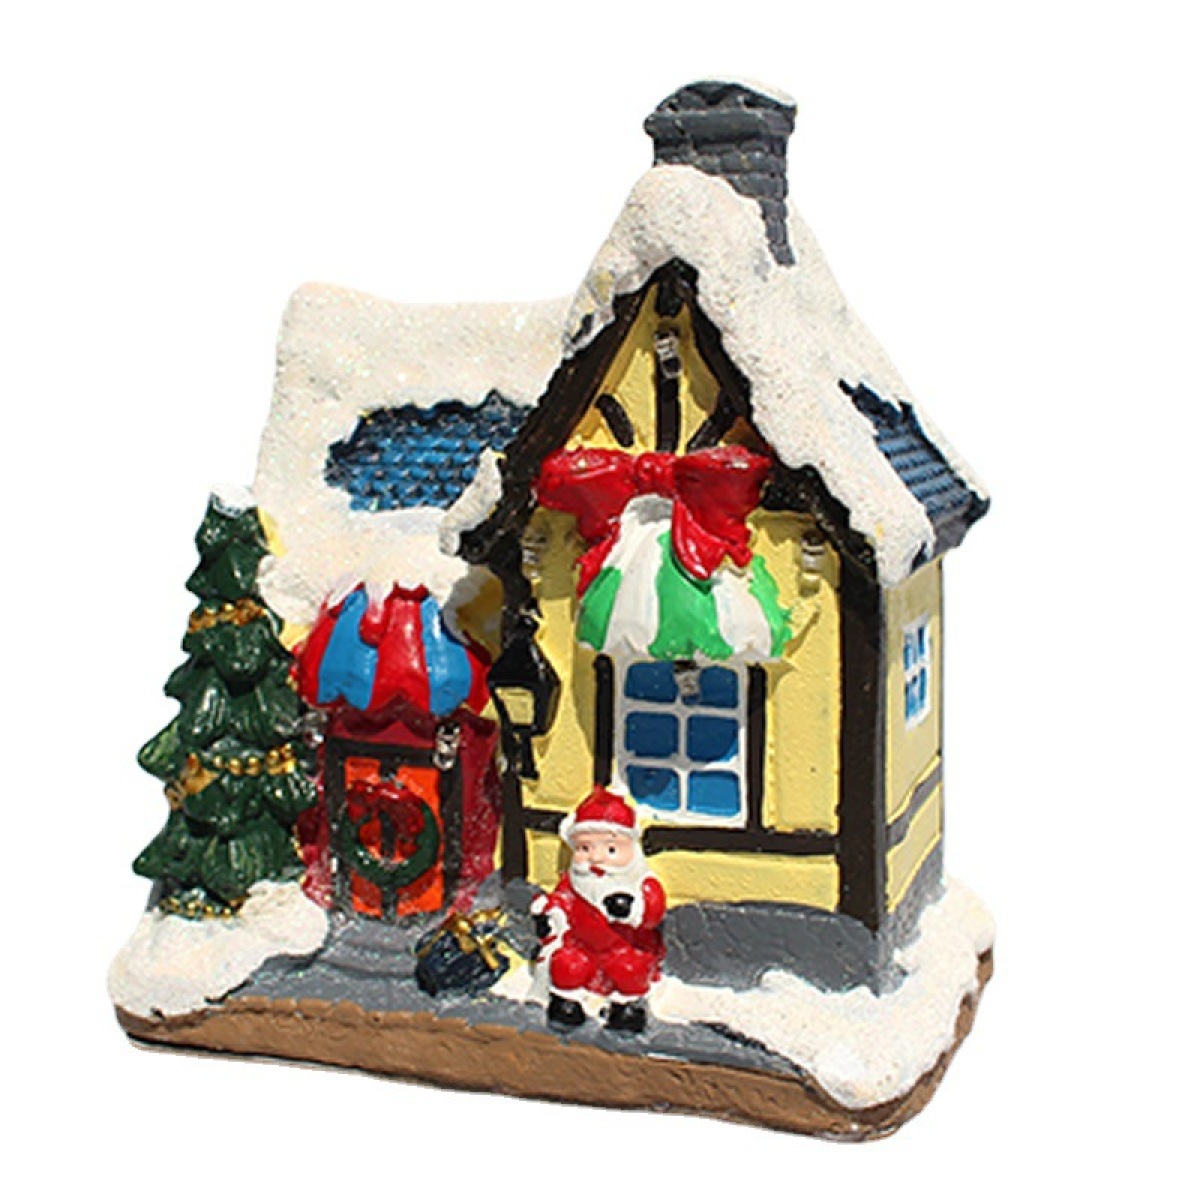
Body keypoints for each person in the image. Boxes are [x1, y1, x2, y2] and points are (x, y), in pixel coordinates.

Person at [531, 786, 666, 1032]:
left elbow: (652, 911)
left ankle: (626, 1009)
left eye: (611, 849)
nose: (596, 859)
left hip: (623, 947)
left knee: (629, 969)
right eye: (585, 849)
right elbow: (562, 901)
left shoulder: (640, 883)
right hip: (581, 947)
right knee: (566, 964)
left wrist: (630, 909)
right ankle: (567, 1003)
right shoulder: (574, 881)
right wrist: (548, 915)